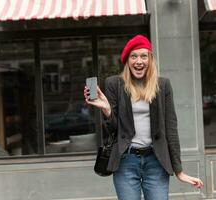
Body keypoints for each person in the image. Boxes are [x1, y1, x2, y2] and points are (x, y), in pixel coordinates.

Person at [84, 35, 203, 200]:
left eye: (143, 56)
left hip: (156, 161)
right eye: (134, 56)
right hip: (126, 161)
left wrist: (179, 171)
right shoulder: (114, 84)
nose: (138, 61)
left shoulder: (163, 85)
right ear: (127, 61)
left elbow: (171, 129)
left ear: (150, 59)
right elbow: (113, 131)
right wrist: (107, 110)